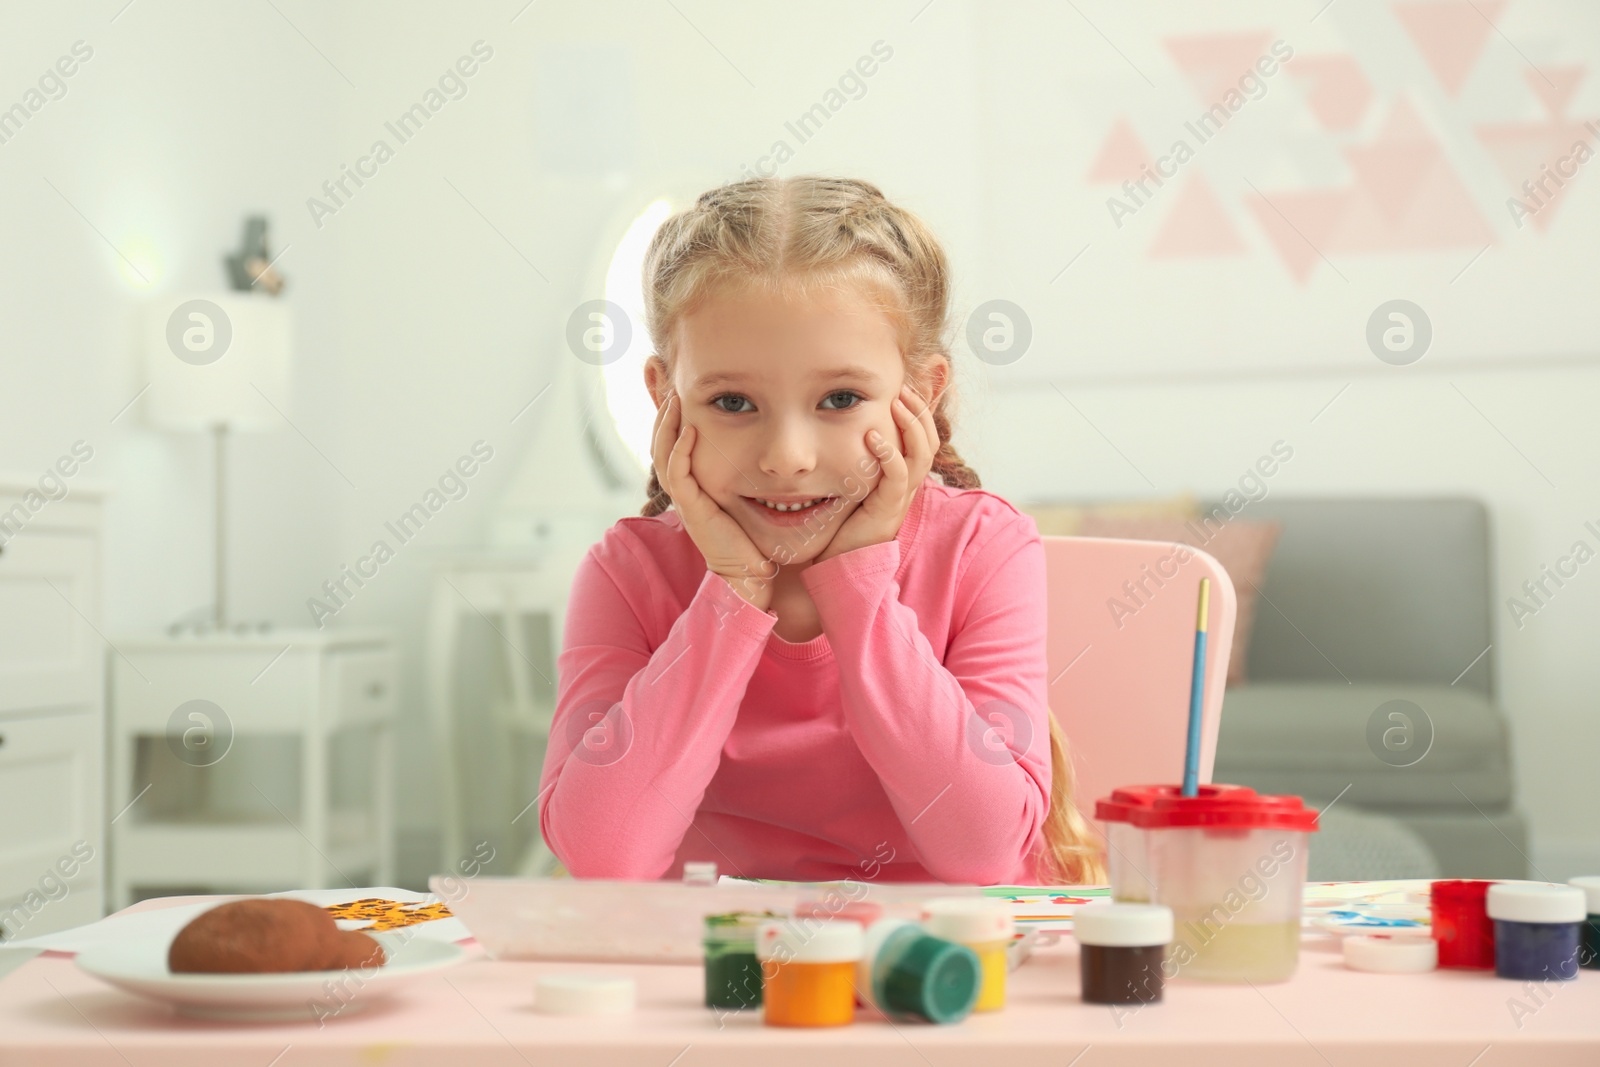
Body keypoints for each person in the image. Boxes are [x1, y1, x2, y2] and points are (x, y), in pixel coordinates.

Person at [538, 175, 1105, 886]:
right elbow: (602, 856)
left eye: (840, 398)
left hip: (929, 977)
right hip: (711, 979)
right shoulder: (629, 573)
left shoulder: (983, 550)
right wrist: (732, 593)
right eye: (732, 402)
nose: (787, 458)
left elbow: (985, 852)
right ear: (665, 399)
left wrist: (860, 583)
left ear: (922, 395)